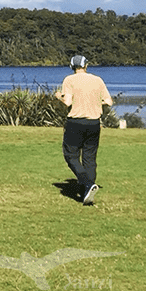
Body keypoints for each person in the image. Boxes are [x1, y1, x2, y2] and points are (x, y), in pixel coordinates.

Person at [55, 55, 113, 205]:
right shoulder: (97, 80)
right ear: (86, 65)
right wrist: (94, 102)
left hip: (76, 123)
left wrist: (58, 97)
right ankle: (88, 191)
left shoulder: (69, 80)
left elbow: (67, 101)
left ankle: (87, 184)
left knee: (71, 155)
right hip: (94, 123)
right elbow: (109, 101)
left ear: (72, 67)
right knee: (89, 158)